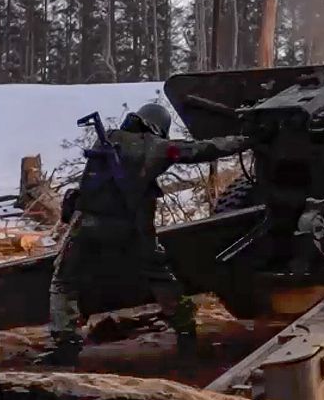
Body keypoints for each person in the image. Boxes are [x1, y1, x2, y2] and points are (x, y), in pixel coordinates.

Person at [37, 102, 250, 366]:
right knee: (161, 278)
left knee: (64, 281)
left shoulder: (110, 138)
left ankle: (66, 341)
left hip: (87, 225)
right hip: (134, 227)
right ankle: (186, 331)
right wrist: (245, 140)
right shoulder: (161, 148)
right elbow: (203, 149)